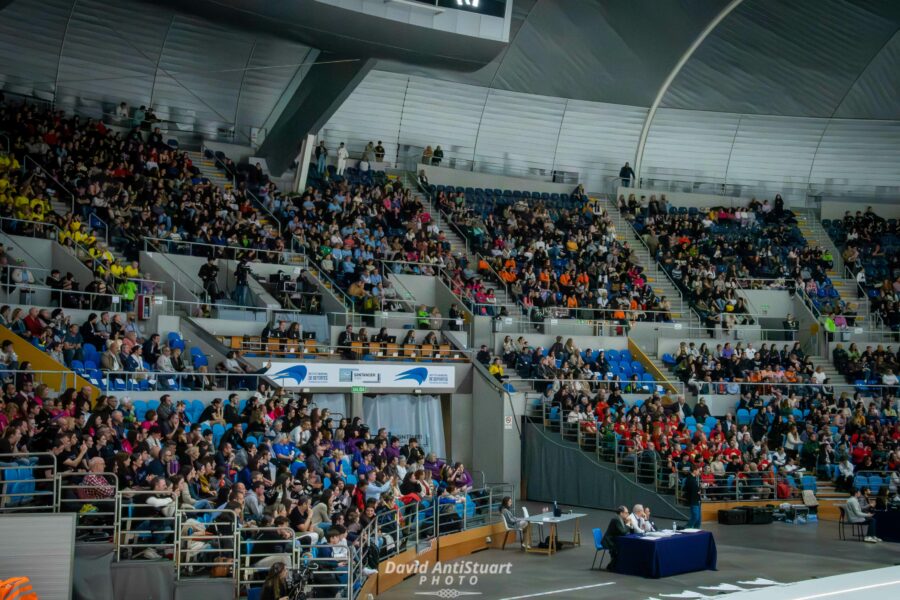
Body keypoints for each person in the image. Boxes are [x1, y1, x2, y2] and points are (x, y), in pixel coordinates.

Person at [601, 505, 631, 572]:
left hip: (614, 540)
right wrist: (628, 524)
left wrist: (627, 524)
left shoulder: (621, 519)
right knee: (619, 549)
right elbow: (623, 532)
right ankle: (612, 566)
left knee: (621, 547)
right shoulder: (616, 519)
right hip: (608, 541)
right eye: (626, 513)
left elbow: (625, 531)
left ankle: (612, 565)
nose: (628, 514)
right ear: (621, 513)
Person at [683, 463, 702, 529]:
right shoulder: (690, 479)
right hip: (693, 500)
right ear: (694, 470)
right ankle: (686, 528)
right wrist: (698, 491)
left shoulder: (693, 479)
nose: (699, 472)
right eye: (698, 471)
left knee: (699, 519)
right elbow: (687, 489)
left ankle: (697, 530)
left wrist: (698, 491)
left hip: (697, 500)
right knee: (695, 517)